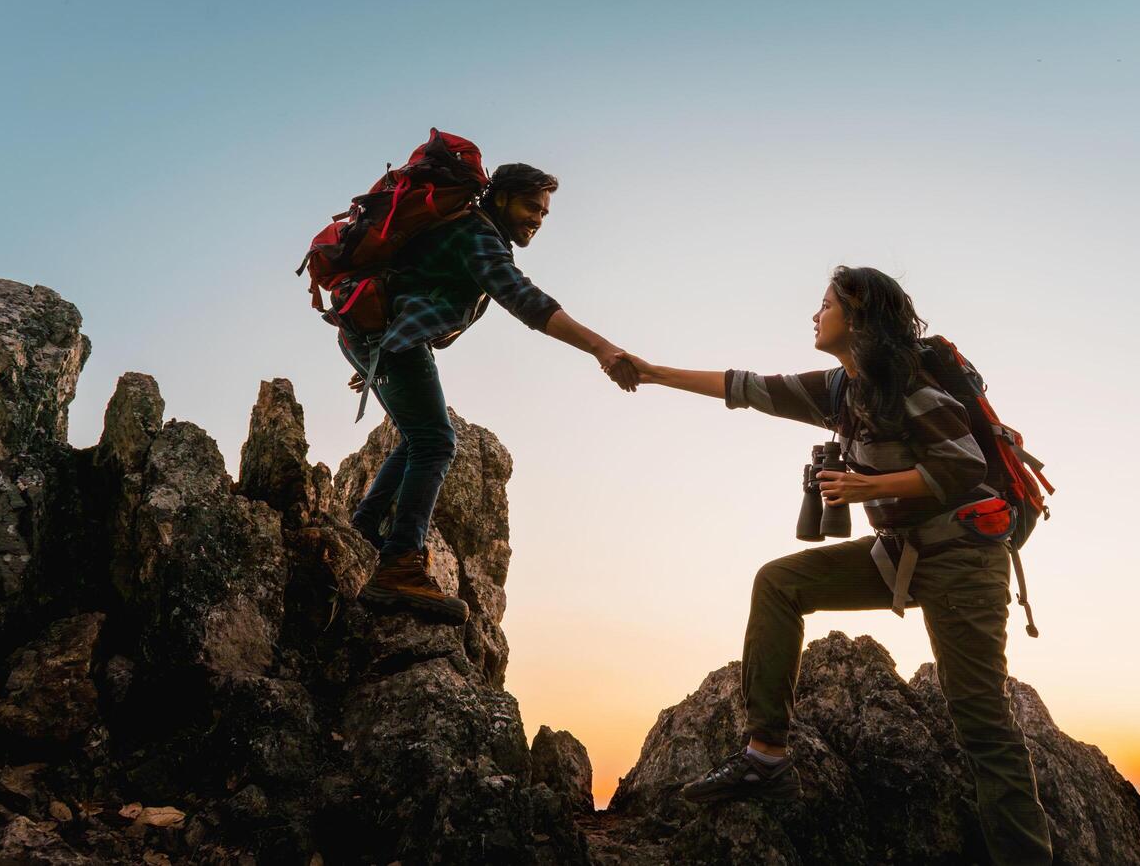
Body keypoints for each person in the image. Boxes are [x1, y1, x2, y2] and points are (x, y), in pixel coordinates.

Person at [621, 266, 1053, 866]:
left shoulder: (910, 386)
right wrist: (649, 371)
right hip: (900, 552)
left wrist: (861, 485)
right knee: (780, 583)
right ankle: (766, 757)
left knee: (982, 727)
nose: (814, 316)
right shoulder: (837, 389)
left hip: (963, 560)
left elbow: (964, 465)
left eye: (824, 305)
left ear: (858, 317)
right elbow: (743, 386)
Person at [342, 162, 636, 622]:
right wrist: (601, 347)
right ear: (500, 199)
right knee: (436, 442)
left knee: (418, 435)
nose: (538, 218)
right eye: (530, 206)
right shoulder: (478, 236)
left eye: (544, 212)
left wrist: (374, 352)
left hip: (375, 336)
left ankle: (362, 528)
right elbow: (523, 298)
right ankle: (399, 565)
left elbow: (417, 282)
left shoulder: (466, 230)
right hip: (383, 340)